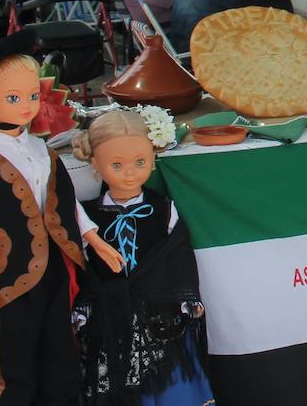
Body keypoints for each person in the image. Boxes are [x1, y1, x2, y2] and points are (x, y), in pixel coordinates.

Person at [0, 31, 124, 406]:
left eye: (32, 96)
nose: (27, 106)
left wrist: (94, 239)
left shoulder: (40, 150)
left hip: (53, 269)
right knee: (13, 361)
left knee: (60, 350)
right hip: (8, 277)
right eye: (13, 98)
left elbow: (62, 203)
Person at [71, 109, 214, 406]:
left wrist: (187, 297)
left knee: (170, 386)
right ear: (95, 164)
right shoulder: (87, 217)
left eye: (140, 162)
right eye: (116, 164)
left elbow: (179, 258)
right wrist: (84, 306)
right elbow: (84, 268)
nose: (129, 172)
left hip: (161, 316)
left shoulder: (163, 209)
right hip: (110, 319)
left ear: (153, 157)